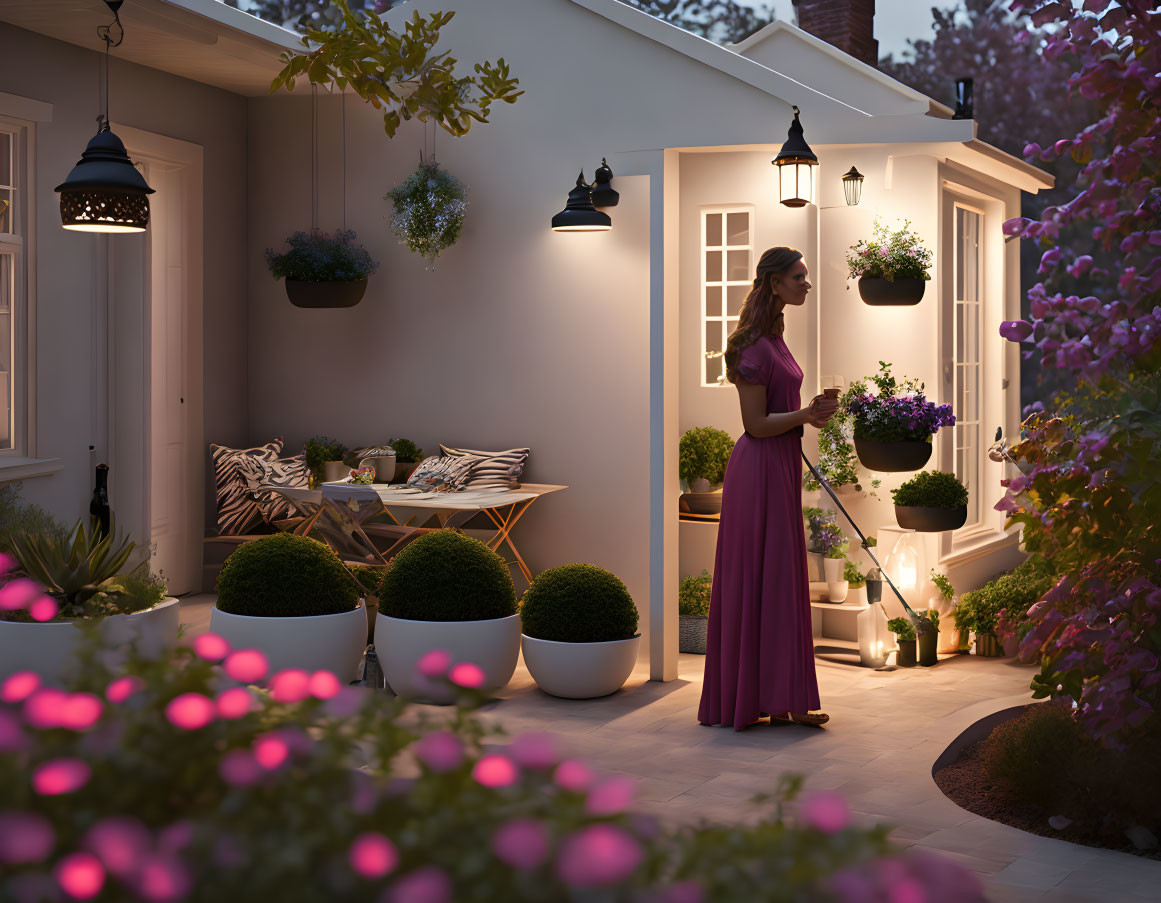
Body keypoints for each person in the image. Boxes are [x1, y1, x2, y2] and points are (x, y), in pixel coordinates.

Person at [697, 247, 838, 731]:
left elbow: (780, 413)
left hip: (779, 468)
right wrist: (805, 415)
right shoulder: (750, 344)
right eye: (798, 277)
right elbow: (755, 425)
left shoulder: (776, 334)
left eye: (806, 275)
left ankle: (782, 699)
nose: (806, 283)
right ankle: (765, 700)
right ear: (774, 283)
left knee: (780, 580)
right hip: (757, 470)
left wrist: (809, 413)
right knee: (767, 579)